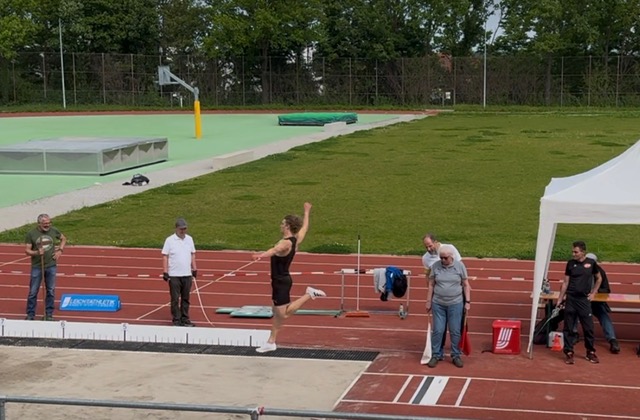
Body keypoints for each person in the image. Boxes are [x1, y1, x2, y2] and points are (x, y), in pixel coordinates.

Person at [252, 202, 326, 353]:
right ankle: (271, 341)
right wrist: (306, 212)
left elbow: (274, 250)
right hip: (279, 281)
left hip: (281, 282)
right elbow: (305, 228)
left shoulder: (286, 243)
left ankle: (309, 294)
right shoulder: (296, 239)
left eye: (282, 223)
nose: (280, 225)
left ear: (287, 226)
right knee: (277, 314)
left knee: (283, 314)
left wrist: (260, 255)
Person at [425, 245, 471, 368]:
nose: (443, 260)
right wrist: (428, 301)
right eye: (441, 258)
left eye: (445, 258)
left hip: (456, 303)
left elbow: (466, 284)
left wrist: (467, 302)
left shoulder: (459, 266)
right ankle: (436, 354)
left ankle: (456, 355)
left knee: (455, 330)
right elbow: (431, 284)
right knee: (438, 330)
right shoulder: (436, 266)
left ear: (451, 257)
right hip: (438, 303)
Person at [557, 241, 602, 364]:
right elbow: (565, 282)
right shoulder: (570, 264)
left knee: (588, 328)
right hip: (571, 299)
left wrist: (593, 293)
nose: (573, 254)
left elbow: (599, 278)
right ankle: (569, 352)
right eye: (572, 251)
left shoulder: (591, 263)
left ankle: (590, 352)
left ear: (583, 252)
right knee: (568, 328)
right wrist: (560, 299)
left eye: (576, 252)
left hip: (583, 300)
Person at [25, 213, 67, 321]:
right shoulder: (31, 234)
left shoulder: (54, 230)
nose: (47, 225)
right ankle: (30, 314)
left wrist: (60, 250)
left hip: (51, 265)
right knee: (33, 291)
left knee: (51, 291)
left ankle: (48, 314)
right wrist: (36, 252)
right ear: (39, 223)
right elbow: (27, 250)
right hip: (37, 266)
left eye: (49, 223)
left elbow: (63, 239)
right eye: (45, 223)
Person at [162, 218, 197, 327]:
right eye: (181, 229)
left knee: (186, 298)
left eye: (184, 229)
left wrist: (194, 268)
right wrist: (165, 271)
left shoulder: (189, 239)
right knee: (175, 299)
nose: (183, 231)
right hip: (174, 275)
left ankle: (185, 318)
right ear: (176, 228)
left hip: (187, 274)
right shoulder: (169, 240)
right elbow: (165, 256)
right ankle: (176, 319)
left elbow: (192, 254)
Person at [585, 253, 620, 354]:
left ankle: (612, 340)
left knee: (604, 316)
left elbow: (606, 289)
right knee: (573, 313)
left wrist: (595, 292)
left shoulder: (601, 272)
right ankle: (573, 334)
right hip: (582, 302)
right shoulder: (579, 270)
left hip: (596, 303)